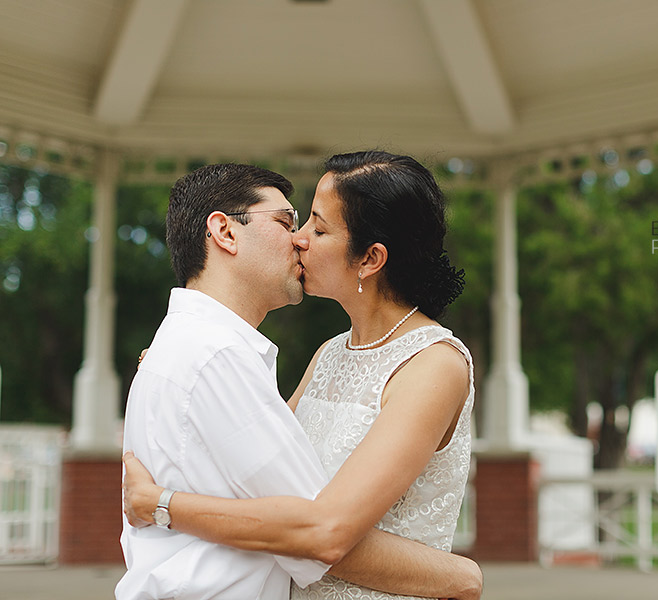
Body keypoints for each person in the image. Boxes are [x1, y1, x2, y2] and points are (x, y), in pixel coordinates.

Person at [116, 162, 481, 600]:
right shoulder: (328, 355)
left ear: (370, 258)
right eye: (292, 221)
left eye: (318, 228)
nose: (300, 238)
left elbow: (325, 530)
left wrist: (161, 505)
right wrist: (187, 372)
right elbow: (268, 484)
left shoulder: (433, 364)